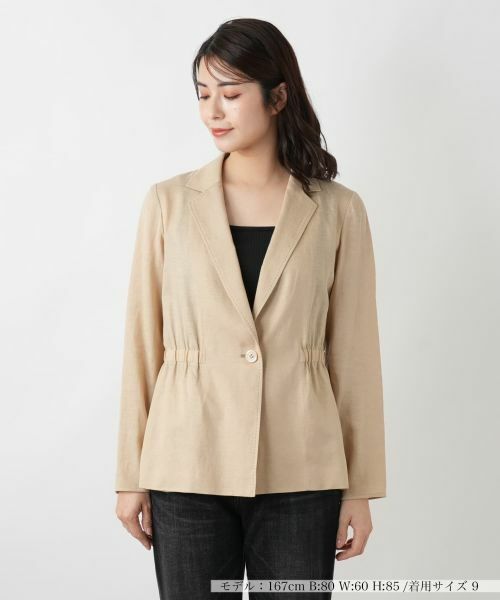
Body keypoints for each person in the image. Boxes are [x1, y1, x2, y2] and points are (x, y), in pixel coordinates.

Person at [114, 17, 386, 600]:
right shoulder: (168, 203)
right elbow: (142, 343)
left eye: (231, 94)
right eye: (203, 94)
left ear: (277, 97)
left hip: (302, 472)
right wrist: (130, 475)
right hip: (185, 464)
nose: (213, 111)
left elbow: (355, 355)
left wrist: (359, 487)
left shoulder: (338, 210)